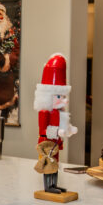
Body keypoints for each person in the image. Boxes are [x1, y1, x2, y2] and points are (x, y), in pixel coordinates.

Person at [34, 54, 77, 194]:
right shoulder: (44, 112)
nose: (64, 100)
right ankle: (48, 187)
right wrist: (58, 132)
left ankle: (54, 184)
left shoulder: (59, 112)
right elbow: (43, 130)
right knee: (48, 164)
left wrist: (69, 129)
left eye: (63, 96)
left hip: (55, 143)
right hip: (46, 144)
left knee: (55, 164)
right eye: (59, 97)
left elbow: (63, 125)